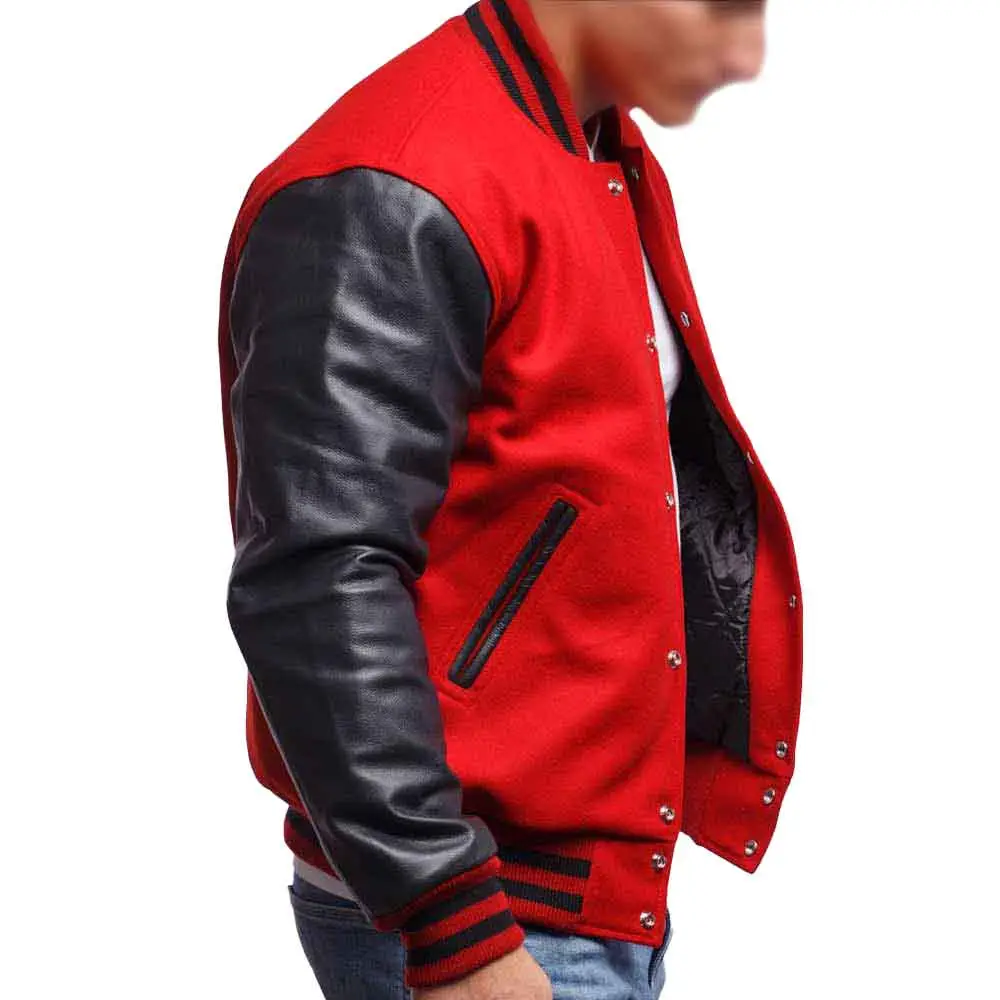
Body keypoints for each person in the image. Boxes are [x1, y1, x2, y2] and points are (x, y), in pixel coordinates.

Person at [216, 1, 802, 998]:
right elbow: (317, 578)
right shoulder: (396, 181)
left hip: (575, 898)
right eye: (724, 6)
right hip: (483, 913)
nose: (748, 56)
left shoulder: (591, 149)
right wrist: (452, 923)